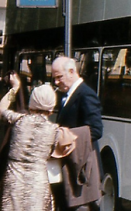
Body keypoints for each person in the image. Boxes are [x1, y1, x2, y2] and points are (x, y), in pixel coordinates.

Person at [0, 75, 76, 211]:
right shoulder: (55, 131)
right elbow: (67, 147)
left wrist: (15, 88)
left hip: (13, 180)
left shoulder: (18, 120)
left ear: (32, 103)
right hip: (38, 182)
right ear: (51, 106)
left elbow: (1, 110)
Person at [51, 56, 103, 210]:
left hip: (81, 169)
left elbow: (96, 129)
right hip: (70, 168)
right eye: (54, 78)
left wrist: (64, 138)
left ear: (72, 71)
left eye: (59, 77)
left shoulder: (86, 94)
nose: (56, 82)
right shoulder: (67, 95)